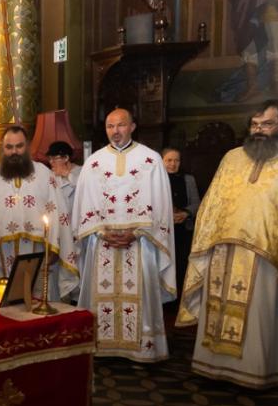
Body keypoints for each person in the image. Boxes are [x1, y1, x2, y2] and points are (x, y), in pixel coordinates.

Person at [177, 99, 278, 388]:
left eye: (267, 124)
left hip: (269, 256)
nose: (258, 130)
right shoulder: (232, 158)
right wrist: (208, 238)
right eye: (254, 125)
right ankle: (213, 366)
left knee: (260, 317)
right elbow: (212, 203)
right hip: (223, 250)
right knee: (218, 311)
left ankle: (259, 372)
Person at [71, 108, 175, 361]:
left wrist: (137, 232)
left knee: (141, 292)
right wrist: (101, 232)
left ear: (132, 126)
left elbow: (161, 205)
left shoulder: (151, 160)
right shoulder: (93, 163)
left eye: (120, 125)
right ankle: (102, 345)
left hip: (141, 243)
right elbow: (83, 204)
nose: (115, 131)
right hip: (101, 242)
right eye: (110, 126)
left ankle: (141, 349)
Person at [0, 126, 76, 300]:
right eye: (9, 147)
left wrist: (55, 247)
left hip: (38, 252)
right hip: (0, 252)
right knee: (3, 303)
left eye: (19, 146)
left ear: (27, 146)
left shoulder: (44, 174)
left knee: (38, 302)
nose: (14, 151)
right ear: (3, 149)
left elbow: (58, 212)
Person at [162, 147, 200, 300]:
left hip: (184, 231)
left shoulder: (188, 179)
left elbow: (197, 203)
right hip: (162, 233)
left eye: (176, 160)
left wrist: (185, 213)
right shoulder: (156, 179)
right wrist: (167, 216)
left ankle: (180, 301)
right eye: (169, 160)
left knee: (181, 266)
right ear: (161, 161)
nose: (173, 164)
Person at [46, 140, 81, 213]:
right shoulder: (50, 174)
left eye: (54, 158)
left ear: (66, 158)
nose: (51, 162)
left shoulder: (80, 171)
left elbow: (83, 187)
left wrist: (66, 173)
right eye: (49, 158)